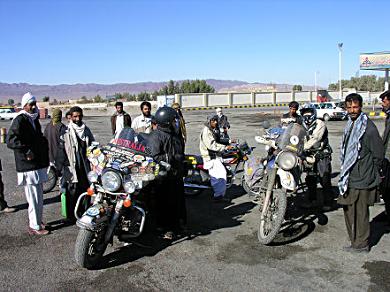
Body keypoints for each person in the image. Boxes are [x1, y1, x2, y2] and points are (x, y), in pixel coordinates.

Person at [337, 93, 383, 253]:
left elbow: (378, 154)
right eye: (349, 107)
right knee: (349, 210)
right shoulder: (351, 124)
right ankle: (355, 241)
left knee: (361, 213)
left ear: (361, 107)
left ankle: (362, 244)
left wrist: (369, 172)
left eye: (355, 107)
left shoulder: (368, 129)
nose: (352, 110)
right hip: (350, 177)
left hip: (362, 178)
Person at [7, 92, 50, 235]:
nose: (33, 106)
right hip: (28, 165)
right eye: (30, 104)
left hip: (36, 164)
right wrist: (26, 151)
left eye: (34, 103)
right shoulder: (20, 120)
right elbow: (11, 140)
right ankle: (35, 226)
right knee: (33, 197)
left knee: (38, 195)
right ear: (24, 105)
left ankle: (37, 221)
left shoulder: (33, 118)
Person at [149, 106, 186, 239]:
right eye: (172, 120)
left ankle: (178, 224)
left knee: (177, 202)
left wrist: (182, 162)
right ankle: (165, 228)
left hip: (176, 174)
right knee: (165, 203)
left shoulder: (173, 134)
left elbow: (180, 150)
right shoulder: (156, 136)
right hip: (164, 177)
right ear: (165, 122)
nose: (175, 123)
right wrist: (171, 159)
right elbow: (155, 156)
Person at [56, 106, 95, 221]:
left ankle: (84, 212)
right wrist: (60, 168)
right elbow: (61, 151)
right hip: (71, 166)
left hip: (85, 166)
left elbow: (93, 145)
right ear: (71, 117)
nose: (77, 119)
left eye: (79, 116)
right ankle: (72, 216)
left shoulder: (86, 130)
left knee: (86, 188)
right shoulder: (66, 131)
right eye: (75, 116)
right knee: (72, 190)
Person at [300, 107, 333, 210]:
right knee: (310, 179)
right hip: (309, 155)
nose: (307, 116)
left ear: (313, 113)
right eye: (305, 114)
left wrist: (302, 148)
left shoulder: (320, 123)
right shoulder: (302, 125)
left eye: (309, 113)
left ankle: (328, 202)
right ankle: (312, 200)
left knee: (325, 179)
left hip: (322, 154)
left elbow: (316, 138)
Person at [200, 114, 234, 202]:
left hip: (215, 156)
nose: (215, 122)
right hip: (210, 158)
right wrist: (225, 147)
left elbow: (218, 140)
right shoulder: (206, 131)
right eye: (213, 121)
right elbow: (212, 145)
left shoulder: (213, 130)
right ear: (209, 122)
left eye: (216, 120)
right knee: (220, 175)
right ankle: (218, 197)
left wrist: (229, 141)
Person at [379, 90, 390, 224]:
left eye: (385, 100)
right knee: (386, 189)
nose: (383, 103)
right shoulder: (388, 116)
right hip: (386, 158)